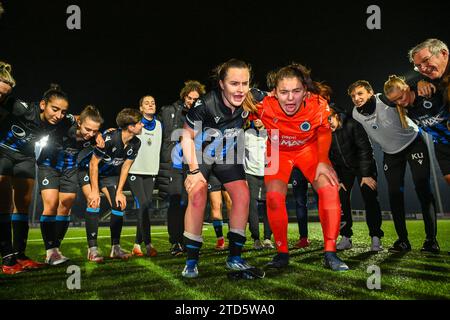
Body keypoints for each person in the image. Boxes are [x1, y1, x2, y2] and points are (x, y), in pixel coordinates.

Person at [255, 63, 348, 271]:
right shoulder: (263, 105)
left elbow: (324, 131)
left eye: (296, 91)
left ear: (305, 91)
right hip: (278, 151)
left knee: (330, 190)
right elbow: (236, 112)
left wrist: (323, 160)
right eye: (284, 92)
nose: (290, 98)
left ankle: (331, 252)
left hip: (309, 151)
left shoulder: (317, 103)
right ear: (274, 92)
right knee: (273, 197)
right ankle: (281, 253)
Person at [180, 58, 264, 278]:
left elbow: (283, 95)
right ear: (221, 84)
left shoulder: (253, 97)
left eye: (244, 83)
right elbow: (186, 137)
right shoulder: (205, 104)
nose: (240, 89)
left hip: (228, 154)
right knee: (197, 196)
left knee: (243, 195)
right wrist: (194, 171)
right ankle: (191, 261)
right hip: (201, 155)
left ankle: (235, 257)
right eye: (234, 84)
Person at [349, 80, 438, 253]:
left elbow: (404, 88)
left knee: (422, 189)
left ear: (370, 92)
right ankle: (403, 241)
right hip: (390, 154)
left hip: (413, 144)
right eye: (353, 96)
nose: (356, 98)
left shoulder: (384, 99)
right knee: (395, 194)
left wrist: (420, 82)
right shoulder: (355, 114)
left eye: (360, 93)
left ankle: (431, 240)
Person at [1, 75, 72, 274]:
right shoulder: (22, 108)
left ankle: (20, 255)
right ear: (43, 105)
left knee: (23, 205)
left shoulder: (62, 121)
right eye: (54, 109)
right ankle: (7, 260)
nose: (59, 115)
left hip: (25, 158)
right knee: (4, 205)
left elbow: (80, 119)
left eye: (63, 111)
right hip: (3, 151)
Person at [37, 105, 104, 265]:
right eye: (88, 129)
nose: (90, 134)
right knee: (51, 205)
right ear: (79, 123)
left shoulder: (94, 137)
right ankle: (50, 251)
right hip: (49, 165)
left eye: (95, 131)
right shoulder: (68, 123)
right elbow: (65, 116)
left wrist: (100, 134)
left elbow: (97, 142)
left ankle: (55, 251)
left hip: (70, 169)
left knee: (66, 205)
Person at [82, 108, 143, 262]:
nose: (142, 125)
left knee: (118, 205)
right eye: (139, 123)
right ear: (130, 127)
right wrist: (95, 191)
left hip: (108, 176)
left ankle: (115, 248)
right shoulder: (110, 138)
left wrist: (120, 191)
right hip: (88, 171)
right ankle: (93, 250)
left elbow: (125, 167)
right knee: (94, 202)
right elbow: (93, 164)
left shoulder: (136, 143)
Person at [158, 80, 206, 256]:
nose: (191, 101)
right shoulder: (169, 111)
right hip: (174, 164)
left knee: (192, 203)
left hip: (192, 163)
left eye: (195, 99)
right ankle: (176, 242)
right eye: (189, 97)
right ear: (184, 96)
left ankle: (189, 242)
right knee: (176, 203)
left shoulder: (202, 114)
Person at [328, 106, 384, 251]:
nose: (327, 124)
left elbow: (365, 149)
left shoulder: (353, 124)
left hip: (362, 165)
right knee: (340, 197)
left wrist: (366, 175)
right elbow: (330, 158)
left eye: (329, 119)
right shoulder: (325, 132)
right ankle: (346, 237)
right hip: (343, 169)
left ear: (337, 115)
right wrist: (338, 180)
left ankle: (375, 237)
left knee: (369, 195)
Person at [384, 75, 449, 185]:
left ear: (407, 88)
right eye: (395, 101)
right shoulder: (402, 106)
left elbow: (438, 76)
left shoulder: (427, 91)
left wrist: (421, 81)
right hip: (441, 145)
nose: (399, 102)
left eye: (400, 97)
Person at [127, 95, 161, 258]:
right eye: (146, 103)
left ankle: (136, 245)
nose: (150, 105)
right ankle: (148, 244)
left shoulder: (160, 125)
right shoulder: (135, 124)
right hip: (135, 171)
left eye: (153, 103)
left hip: (151, 172)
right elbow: (123, 137)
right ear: (140, 108)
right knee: (144, 204)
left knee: (145, 207)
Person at [243, 118, 274, 250]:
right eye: (254, 117)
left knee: (270, 206)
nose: (256, 120)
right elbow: (239, 155)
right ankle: (256, 238)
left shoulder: (273, 134)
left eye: (259, 117)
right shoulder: (246, 133)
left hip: (269, 173)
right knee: (252, 207)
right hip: (250, 174)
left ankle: (267, 238)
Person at [408, 39, 449, 103]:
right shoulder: (436, 75)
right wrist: (421, 82)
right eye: (418, 65)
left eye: (425, 60)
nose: (423, 69)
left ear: (444, 54)